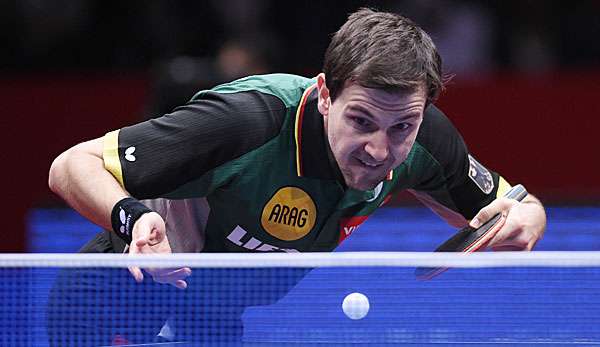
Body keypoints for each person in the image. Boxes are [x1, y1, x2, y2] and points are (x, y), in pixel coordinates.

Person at [46, 8, 546, 345]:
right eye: (361, 121)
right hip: (120, 298)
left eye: (402, 127)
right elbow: (72, 164)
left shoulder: (425, 140)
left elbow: (512, 206)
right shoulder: (248, 122)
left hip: (212, 317)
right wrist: (132, 221)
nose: (379, 149)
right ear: (327, 95)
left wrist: (528, 220)